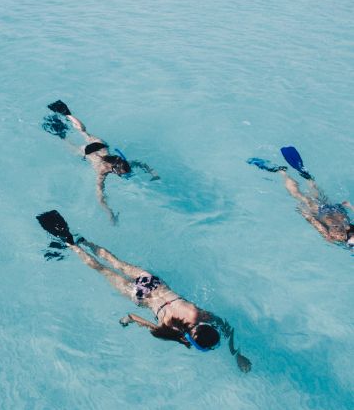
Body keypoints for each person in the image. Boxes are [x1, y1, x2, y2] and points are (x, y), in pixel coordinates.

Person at [36, 210, 252, 373]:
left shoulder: (198, 314)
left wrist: (236, 352)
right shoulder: (170, 330)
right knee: (101, 269)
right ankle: (71, 245)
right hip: (140, 296)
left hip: (154, 283)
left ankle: (84, 240)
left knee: (115, 262)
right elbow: (134, 318)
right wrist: (126, 320)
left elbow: (226, 327)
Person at [43, 100, 159, 224]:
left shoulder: (120, 161)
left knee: (83, 132)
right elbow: (100, 195)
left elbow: (140, 163)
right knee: (69, 144)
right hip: (87, 153)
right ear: (114, 170)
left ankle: (67, 114)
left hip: (100, 145)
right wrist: (109, 213)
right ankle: (60, 133)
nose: (122, 175)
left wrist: (153, 173)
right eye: (121, 174)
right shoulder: (102, 171)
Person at [248, 146, 354, 248]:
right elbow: (315, 223)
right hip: (322, 211)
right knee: (298, 195)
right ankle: (282, 172)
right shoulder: (332, 238)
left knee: (314, 189)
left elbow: (317, 224)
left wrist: (349, 206)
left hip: (333, 208)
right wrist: (305, 214)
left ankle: (305, 176)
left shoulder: (340, 234)